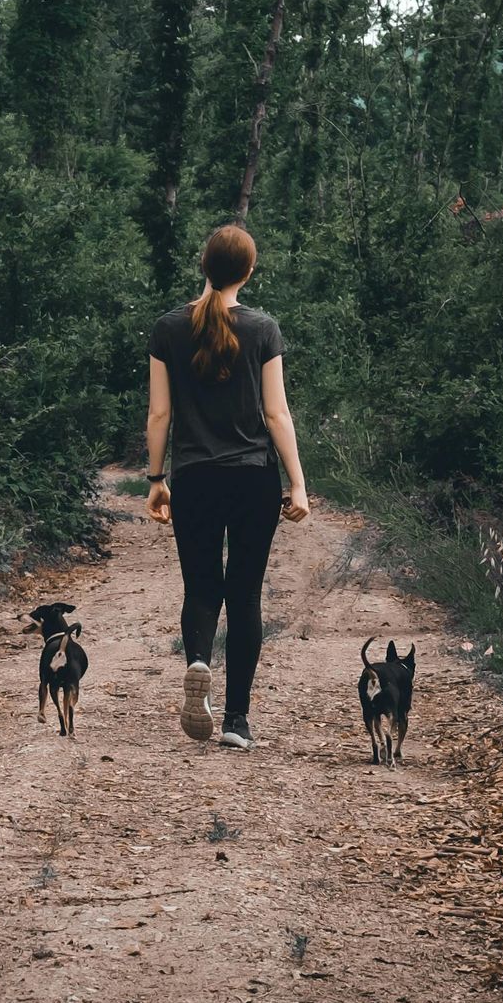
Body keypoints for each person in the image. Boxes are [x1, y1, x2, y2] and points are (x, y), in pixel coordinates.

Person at [145, 223, 309, 748]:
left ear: (203, 265)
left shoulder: (168, 329)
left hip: (194, 477)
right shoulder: (263, 329)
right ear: (250, 271)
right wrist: (298, 484)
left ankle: (197, 661)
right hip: (252, 479)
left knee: (201, 585)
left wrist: (155, 479)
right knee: (243, 594)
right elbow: (277, 414)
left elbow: (159, 414)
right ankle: (237, 720)